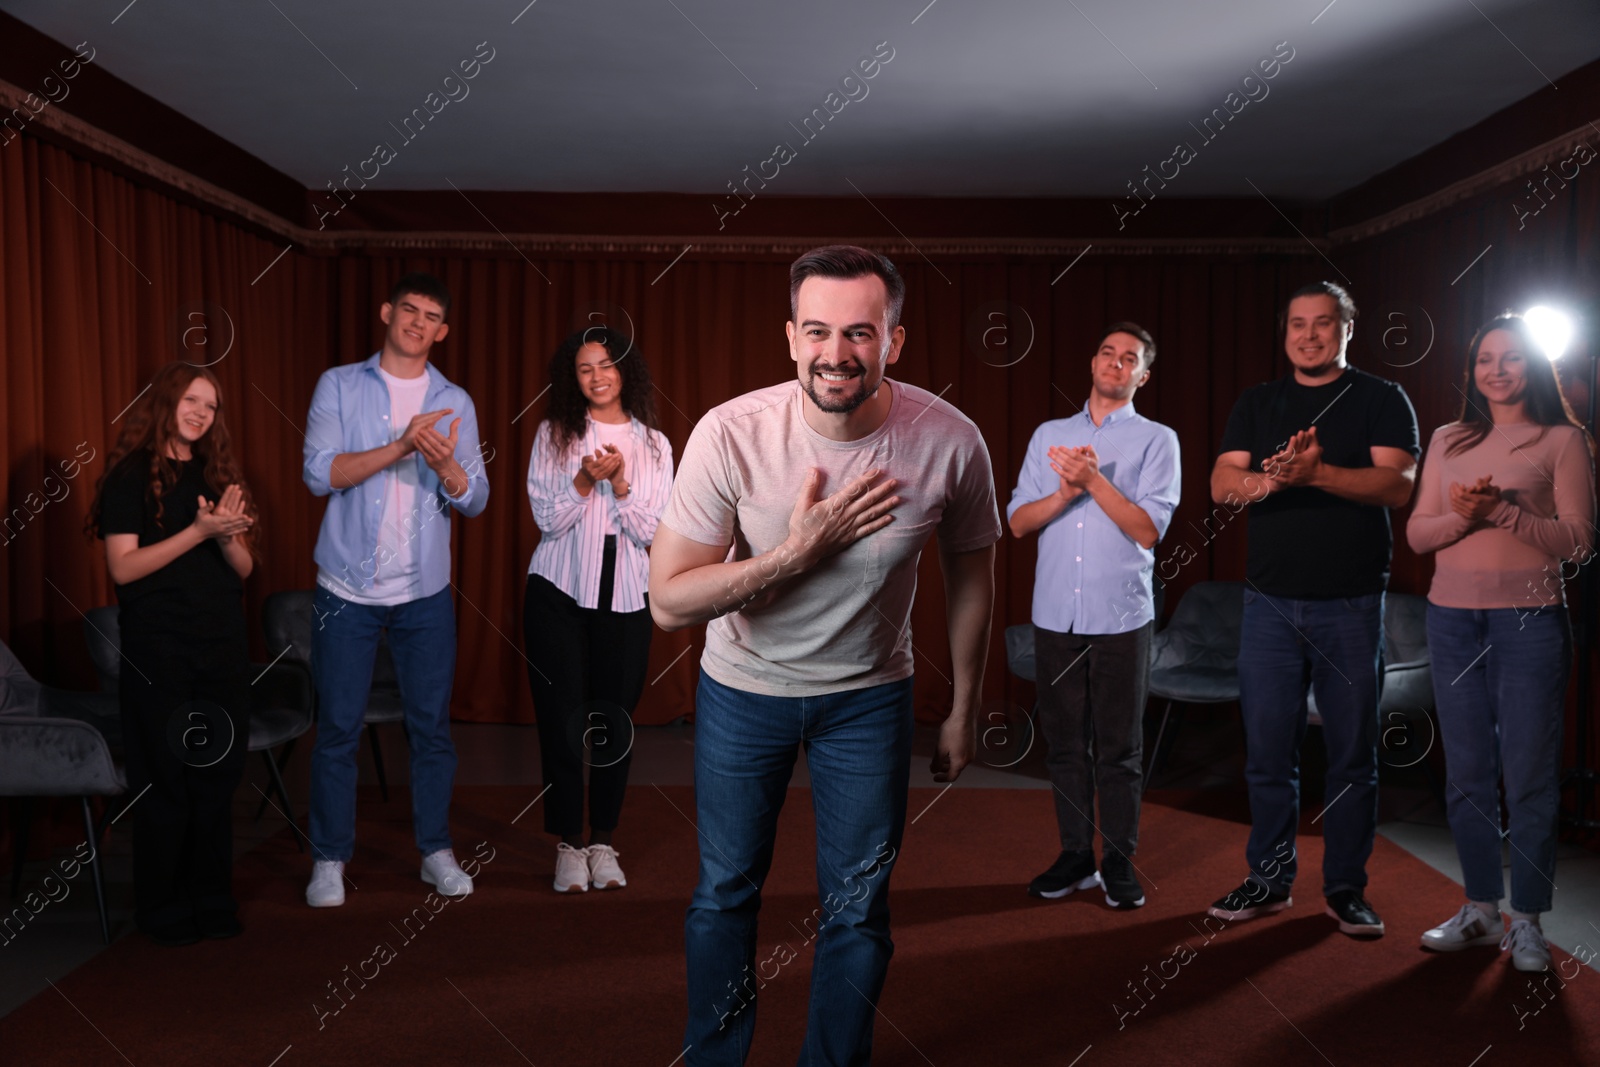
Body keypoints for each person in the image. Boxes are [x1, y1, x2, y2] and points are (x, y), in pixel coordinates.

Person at [650, 245, 1000, 1065]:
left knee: (857, 908)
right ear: (790, 338)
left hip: (871, 698)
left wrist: (965, 708)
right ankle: (714, 1056)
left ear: (894, 341)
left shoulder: (950, 440)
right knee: (724, 895)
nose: (835, 353)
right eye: (817, 331)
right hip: (743, 690)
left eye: (859, 333)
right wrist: (790, 556)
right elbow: (668, 600)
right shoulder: (730, 433)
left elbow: (972, 575)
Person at [1207, 281, 1419, 938]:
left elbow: (1397, 484)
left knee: (1353, 755)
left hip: (1351, 606)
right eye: (1297, 324)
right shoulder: (1258, 401)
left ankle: (1346, 887)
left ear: (1346, 329)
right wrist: (1276, 479)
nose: (1309, 335)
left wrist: (1319, 475)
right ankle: (1269, 880)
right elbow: (1222, 485)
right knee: (1269, 753)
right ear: (1285, 332)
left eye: (1323, 324)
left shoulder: (1382, 399)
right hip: (1270, 606)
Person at [1406, 312, 1595, 971]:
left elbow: (1577, 543)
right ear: (1473, 370)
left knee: (1530, 774)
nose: (1497, 369)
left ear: (1532, 366)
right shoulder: (1448, 437)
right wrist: (1464, 513)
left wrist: (1504, 510)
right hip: (1452, 620)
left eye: (1511, 357)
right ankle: (1481, 908)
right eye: (1485, 358)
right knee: (1467, 774)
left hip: (1531, 622)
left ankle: (1529, 922)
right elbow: (1419, 536)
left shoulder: (1563, 439)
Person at [301, 272, 490, 907]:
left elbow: (476, 499)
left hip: (425, 594)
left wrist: (445, 467)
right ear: (387, 312)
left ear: (442, 331)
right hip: (345, 591)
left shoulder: (455, 401)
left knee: (431, 728)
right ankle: (329, 858)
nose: (417, 322)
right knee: (337, 729)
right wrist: (402, 445)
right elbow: (320, 474)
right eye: (408, 309)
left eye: (430, 315)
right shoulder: (339, 385)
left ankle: (435, 851)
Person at [1007, 322, 1180, 909]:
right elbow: (1019, 523)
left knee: (1120, 750)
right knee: (1063, 746)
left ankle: (1119, 863)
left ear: (1142, 375)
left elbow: (1148, 530)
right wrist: (1064, 491)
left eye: (1128, 357)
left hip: (1122, 618)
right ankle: (1076, 855)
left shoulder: (1159, 440)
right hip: (1055, 615)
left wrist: (1093, 481)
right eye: (1107, 352)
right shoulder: (1049, 435)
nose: (1115, 362)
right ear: (1093, 362)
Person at [89, 362, 256, 945]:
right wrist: (198, 532)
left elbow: (245, 568)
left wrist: (229, 536)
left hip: (222, 646)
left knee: (216, 774)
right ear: (166, 402)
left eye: (210, 406)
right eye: (191, 400)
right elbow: (123, 569)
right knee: (166, 776)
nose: (201, 413)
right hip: (158, 649)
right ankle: (161, 909)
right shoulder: (129, 476)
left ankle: (211, 898)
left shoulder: (216, 472)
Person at [523, 326, 673, 893]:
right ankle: (568, 846)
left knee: (613, 724)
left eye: (606, 364)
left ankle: (603, 841)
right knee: (562, 725)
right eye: (585, 368)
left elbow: (654, 532)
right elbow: (548, 520)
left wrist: (624, 484)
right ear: (574, 378)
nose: (597, 376)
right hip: (556, 596)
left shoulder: (656, 445)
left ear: (624, 371)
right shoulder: (554, 434)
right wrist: (586, 478)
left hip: (626, 599)